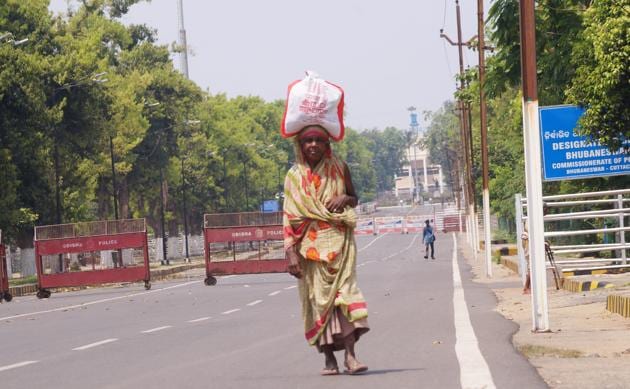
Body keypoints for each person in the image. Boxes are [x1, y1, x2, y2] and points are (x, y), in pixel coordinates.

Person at [284, 125, 369, 376]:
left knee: (345, 297)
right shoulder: (293, 177)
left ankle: (351, 357)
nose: (313, 145)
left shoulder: (339, 168)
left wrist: (344, 199)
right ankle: (330, 359)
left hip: (339, 245)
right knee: (318, 302)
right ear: (300, 146)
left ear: (327, 144)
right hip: (308, 251)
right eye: (307, 141)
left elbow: (354, 197)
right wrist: (290, 254)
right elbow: (289, 216)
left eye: (318, 140)